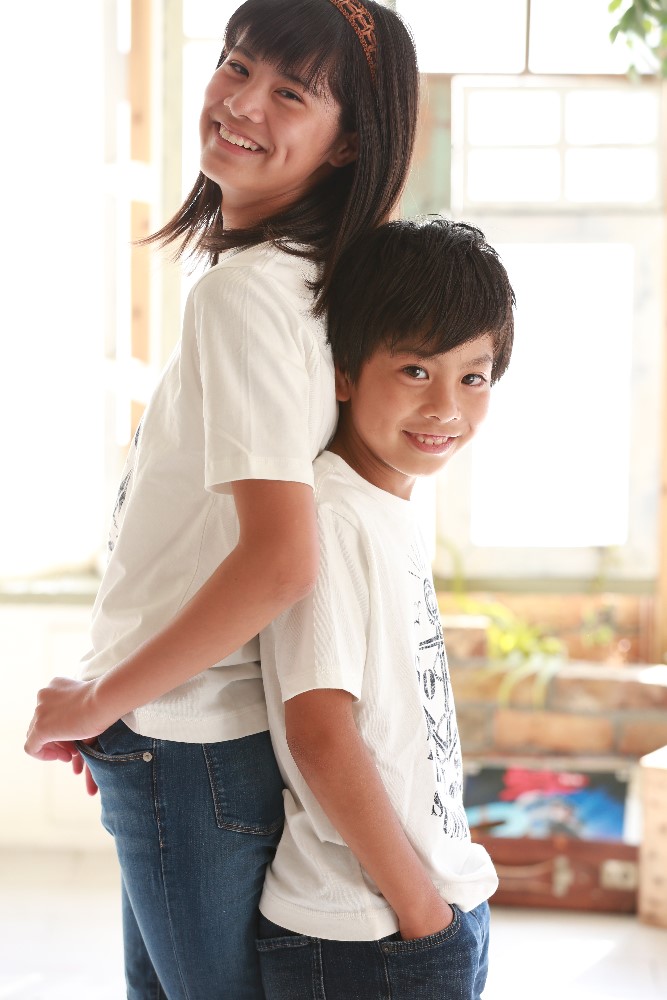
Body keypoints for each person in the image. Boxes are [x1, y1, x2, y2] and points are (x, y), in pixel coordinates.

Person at [23, 2, 419, 998]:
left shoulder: (245, 297)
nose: (241, 103)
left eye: (290, 92)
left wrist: (105, 699)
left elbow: (280, 560)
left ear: (347, 145)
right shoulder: (291, 282)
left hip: (186, 739)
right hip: (182, 735)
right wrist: (117, 701)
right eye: (237, 66)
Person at [256, 217, 515, 1000]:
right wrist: (419, 912)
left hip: (421, 908)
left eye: (472, 378)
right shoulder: (333, 515)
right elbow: (319, 731)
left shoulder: (385, 505)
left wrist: (436, 908)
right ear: (343, 371)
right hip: (368, 930)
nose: (445, 407)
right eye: (414, 370)